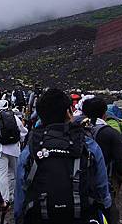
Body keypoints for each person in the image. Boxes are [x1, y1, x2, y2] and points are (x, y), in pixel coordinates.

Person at [14, 88, 112, 224]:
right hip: (81, 216)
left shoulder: (31, 149)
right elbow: (102, 187)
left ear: (41, 115)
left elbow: (21, 191)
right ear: (68, 112)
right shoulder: (88, 145)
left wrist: (19, 217)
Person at [81, 97, 122, 224]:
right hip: (103, 184)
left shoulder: (75, 129)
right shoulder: (110, 133)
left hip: (80, 184)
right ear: (105, 113)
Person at [0, 99, 28, 204]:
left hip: (0, 150)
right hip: (14, 149)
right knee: (15, 173)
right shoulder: (14, 118)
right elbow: (23, 132)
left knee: (1, 174)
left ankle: (4, 199)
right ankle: (15, 196)